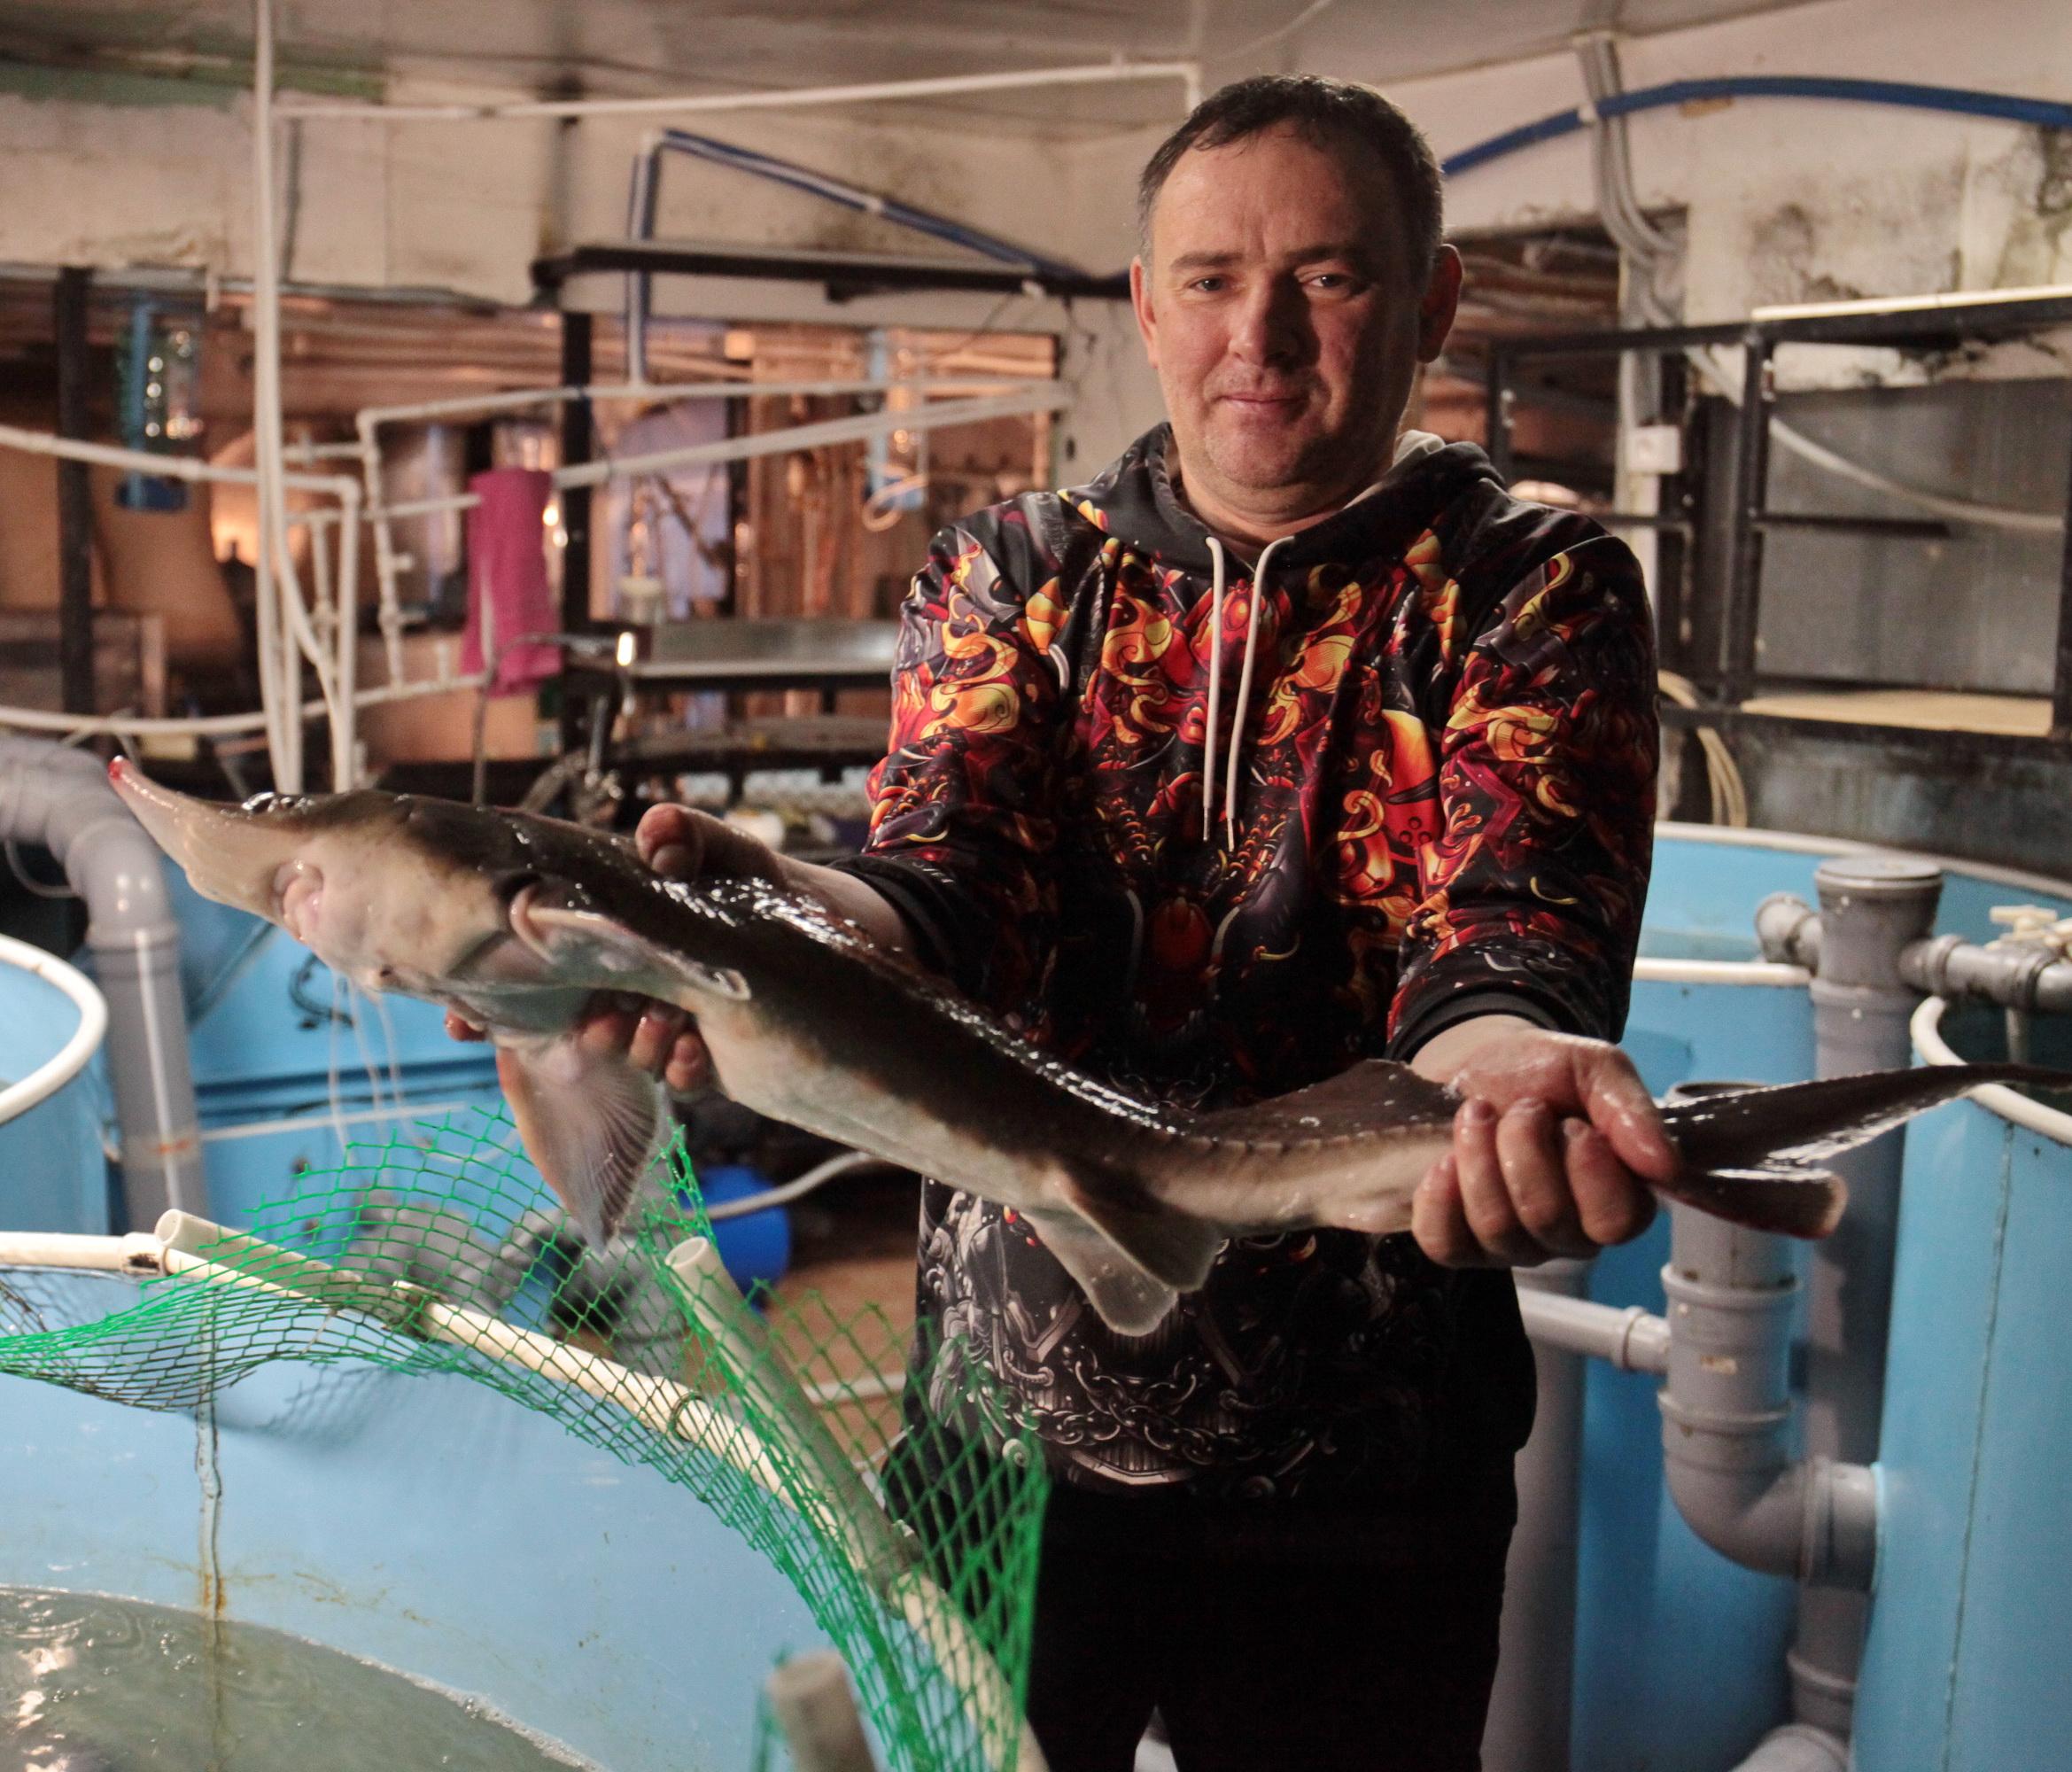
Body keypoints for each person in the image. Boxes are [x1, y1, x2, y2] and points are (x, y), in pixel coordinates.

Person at [474, 74, 1663, 1772]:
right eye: (1208, 279)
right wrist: (775, 911)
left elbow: (1506, 942)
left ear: (1433, 302)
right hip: (995, 1439)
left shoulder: (1526, 581)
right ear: (1144, 306)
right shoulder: (1017, 567)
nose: (1258, 332)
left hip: (1361, 1478)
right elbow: (945, 889)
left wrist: (1502, 1090)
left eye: (1326, 277)